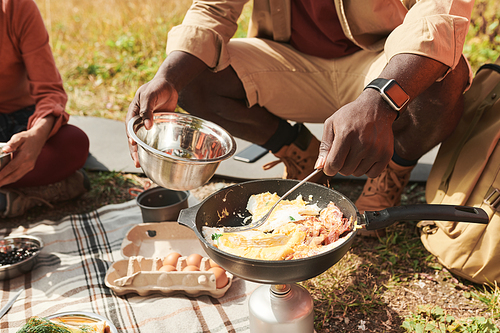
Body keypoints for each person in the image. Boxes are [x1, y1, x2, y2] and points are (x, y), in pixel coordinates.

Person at [126, 0, 473, 235]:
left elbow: (439, 16)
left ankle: (391, 171)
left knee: (445, 75)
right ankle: (300, 152)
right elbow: (212, 10)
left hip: (380, 62)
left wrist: (379, 99)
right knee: (192, 77)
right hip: (292, 63)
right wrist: (167, 79)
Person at [0, 0, 90, 218]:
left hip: (21, 121)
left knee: (74, 143)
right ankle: (19, 198)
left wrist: (37, 135)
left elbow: (50, 91)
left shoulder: (15, 6)